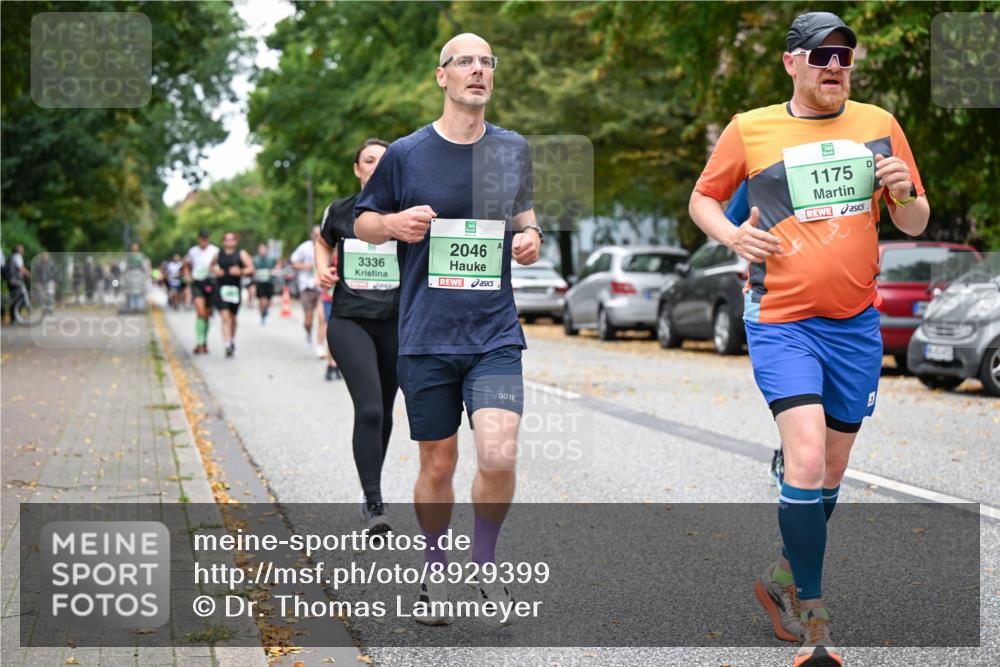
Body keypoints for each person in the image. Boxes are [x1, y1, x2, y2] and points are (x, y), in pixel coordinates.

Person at [689, 12, 929, 667]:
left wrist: (904, 191)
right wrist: (733, 235)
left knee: (829, 472)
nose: (834, 66)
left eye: (844, 57)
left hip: (855, 326)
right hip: (782, 321)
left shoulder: (879, 126)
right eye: (820, 55)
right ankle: (816, 623)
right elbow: (703, 199)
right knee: (803, 457)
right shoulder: (752, 129)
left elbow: (913, 219)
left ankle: (780, 580)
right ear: (791, 62)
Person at [355, 33, 542, 626]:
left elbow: (524, 213)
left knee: (499, 453)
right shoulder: (406, 154)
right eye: (465, 61)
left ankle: (484, 567)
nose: (477, 70)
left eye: (486, 62)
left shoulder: (512, 149)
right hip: (426, 336)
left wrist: (532, 236)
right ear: (443, 76)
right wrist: (392, 221)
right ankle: (434, 572)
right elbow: (361, 223)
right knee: (437, 466)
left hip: (494, 334)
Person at [317, 138, 394, 531]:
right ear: (357, 168)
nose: (377, 165)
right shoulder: (341, 211)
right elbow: (322, 240)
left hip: (397, 323)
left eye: (384, 160)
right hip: (350, 320)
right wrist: (322, 269)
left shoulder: (405, 212)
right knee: (369, 408)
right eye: (369, 159)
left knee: (384, 412)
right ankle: (375, 501)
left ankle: (370, 492)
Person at [209, 232, 254, 358]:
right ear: (223, 241)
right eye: (226, 239)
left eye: (231, 239)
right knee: (225, 317)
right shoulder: (218, 254)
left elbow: (251, 268)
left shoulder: (241, 254)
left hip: (234, 290)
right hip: (221, 289)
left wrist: (240, 271)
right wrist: (216, 270)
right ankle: (227, 344)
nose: (229, 242)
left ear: (235, 241)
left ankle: (232, 339)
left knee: (233, 318)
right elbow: (210, 266)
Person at [185, 230, 220, 354]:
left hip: (211, 283)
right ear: (198, 239)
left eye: (205, 239)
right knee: (200, 312)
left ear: (208, 239)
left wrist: (216, 271)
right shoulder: (193, 251)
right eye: (201, 239)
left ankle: (204, 341)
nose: (203, 241)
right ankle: (199, 342)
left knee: (206, 314)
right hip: (198, 283)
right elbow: (187, 265)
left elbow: (219, 266)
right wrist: (188, 275)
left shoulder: (215, 251)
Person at [290, 226, 323, 352]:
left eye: (320, 234)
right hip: (307, 287)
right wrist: (305, 266)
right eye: (315, 235)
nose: (317, 237)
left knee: (322, 317)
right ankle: (309, 333)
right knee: (308, 321)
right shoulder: (305, 248)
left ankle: (320, 346)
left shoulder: (328, 246)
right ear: (311, 235)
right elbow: (293, 263)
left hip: (321, 289)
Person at [316, 249, 341, 381]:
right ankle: (330, 363)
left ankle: (335, 363)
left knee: (341, 336)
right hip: (329, 300)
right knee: (332, 333)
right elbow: (318, 278)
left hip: (345, 300)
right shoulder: (327, 258)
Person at [252, 243, 279, 324]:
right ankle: (262, 315)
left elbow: (277, 265)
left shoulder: (272, 258)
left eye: (264, 249)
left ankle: (265, 311)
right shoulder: (255, 259)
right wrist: (254, 272)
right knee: (262, 300)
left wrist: (274, 270)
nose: (262, 251)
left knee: (268, 300)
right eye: (261, 249)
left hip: (269, 282)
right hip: (260, 282)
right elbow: (251, 267)